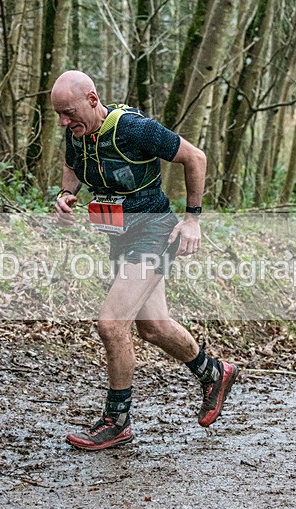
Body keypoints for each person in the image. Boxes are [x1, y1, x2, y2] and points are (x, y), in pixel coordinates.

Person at [51, 70, 239, 451]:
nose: (63, 122)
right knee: (153, 326)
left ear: (92, 98)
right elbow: (72, 164)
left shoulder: (134, 130)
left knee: (111, 324)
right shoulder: (76, 133)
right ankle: (214, 372)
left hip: (155, 233)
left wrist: (192, 219)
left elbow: (195, 157)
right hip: (120, 236)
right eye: (58, 114)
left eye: (69, 112)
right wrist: (67, 193)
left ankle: (116, 421)